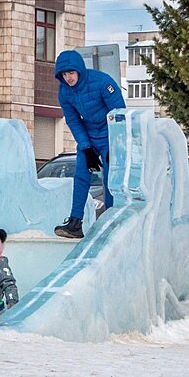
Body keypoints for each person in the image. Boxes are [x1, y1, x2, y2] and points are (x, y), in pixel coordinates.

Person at [53, 49, 126, 239]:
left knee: (110, 178)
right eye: (64, 74)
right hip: (90, 136)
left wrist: (115, 144)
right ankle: (75, 223)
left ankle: (112, 221)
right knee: (81, 175)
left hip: (111, 134)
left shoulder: (102, 81)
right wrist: (86, 147)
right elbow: (73, 120)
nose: (68, 78)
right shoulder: (64, 92)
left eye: (71, 72)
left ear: (79, 70)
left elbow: (119, 114)